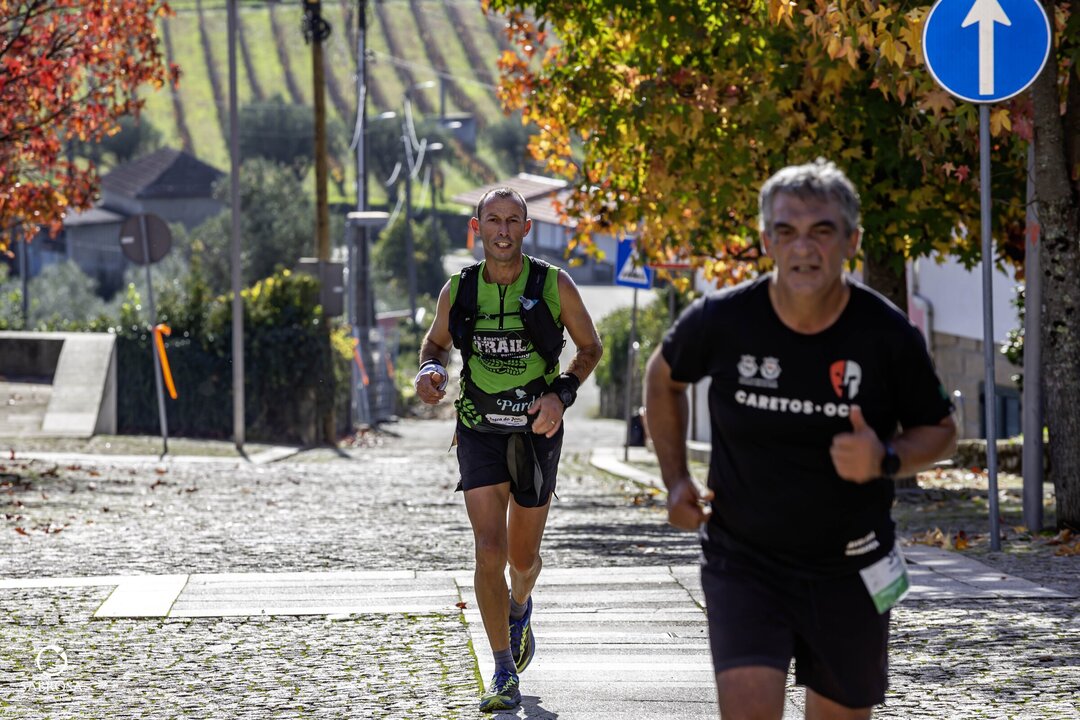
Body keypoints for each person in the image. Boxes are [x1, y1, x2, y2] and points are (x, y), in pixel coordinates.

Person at [644, 159, 958, 720]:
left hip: (853, 567)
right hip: (744, 560)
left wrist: (886, 458)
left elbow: (942, 431)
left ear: (852, 241)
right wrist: (675, 480)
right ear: (767, 241)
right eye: (786, 232)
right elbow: (662, 378)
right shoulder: (723, 319)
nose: (803, 248)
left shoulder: (886, 334)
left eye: (822, 231)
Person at [415, 187, 603, 712]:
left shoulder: (553, 284)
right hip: (478, 427)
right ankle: (502, 669)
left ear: (526, 228)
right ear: (477, 228)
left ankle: (520, 606)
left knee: (522, 560)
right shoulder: (459, 289)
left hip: (535, 432)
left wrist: (560, 396)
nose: (502, 230)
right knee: (488, 550)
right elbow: (436, 343)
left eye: (512, 221)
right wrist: (429, 369)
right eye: (493, 220)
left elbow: (591, 347)